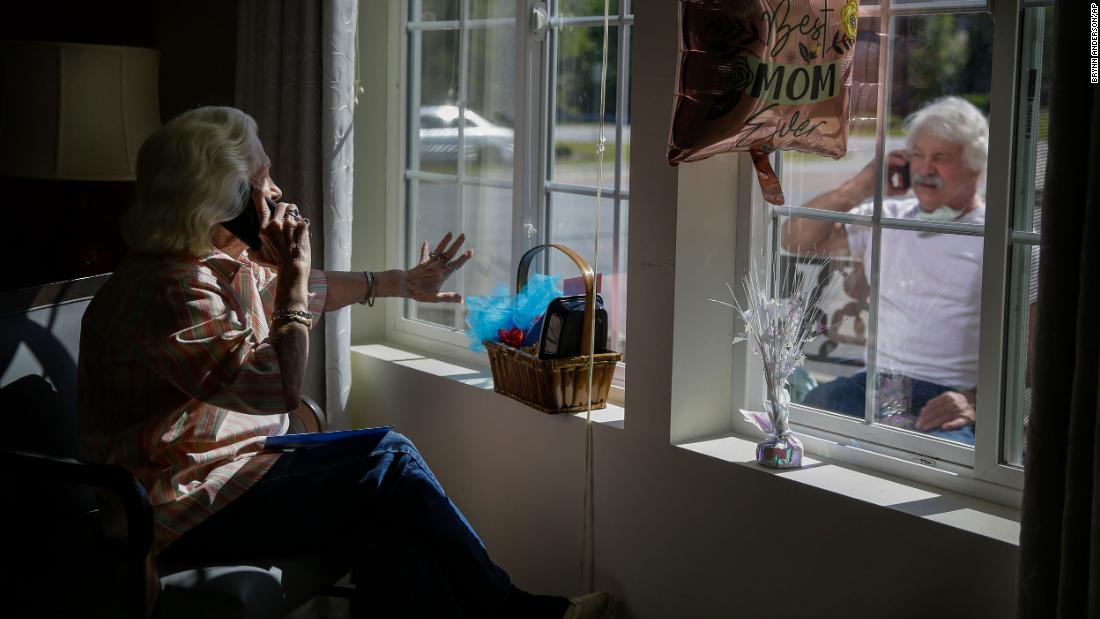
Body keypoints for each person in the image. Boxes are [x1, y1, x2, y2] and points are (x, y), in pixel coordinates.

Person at [76, 106, 615, 618]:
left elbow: (310, 290)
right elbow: (279, 387)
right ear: (225, 198)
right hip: (175, 503)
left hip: (230, 470)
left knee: (392, 529)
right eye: (263, 178)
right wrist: (289, 274)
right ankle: (514, 613)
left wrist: (400, 283)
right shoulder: (171, 287)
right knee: (389, 457)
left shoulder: (213, 266)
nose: (277, 190)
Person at [780, 96, 988, 445]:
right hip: (875, 384)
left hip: (949, 396)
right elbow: (797, 239)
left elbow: (1030, 352)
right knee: (800, 420)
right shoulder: (888, 215)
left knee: (949, 463)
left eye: (941, 158)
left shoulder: (994, 235)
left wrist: (978, 400)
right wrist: (863, 184)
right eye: (917, 155)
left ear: (974, 168)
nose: (925, 169)